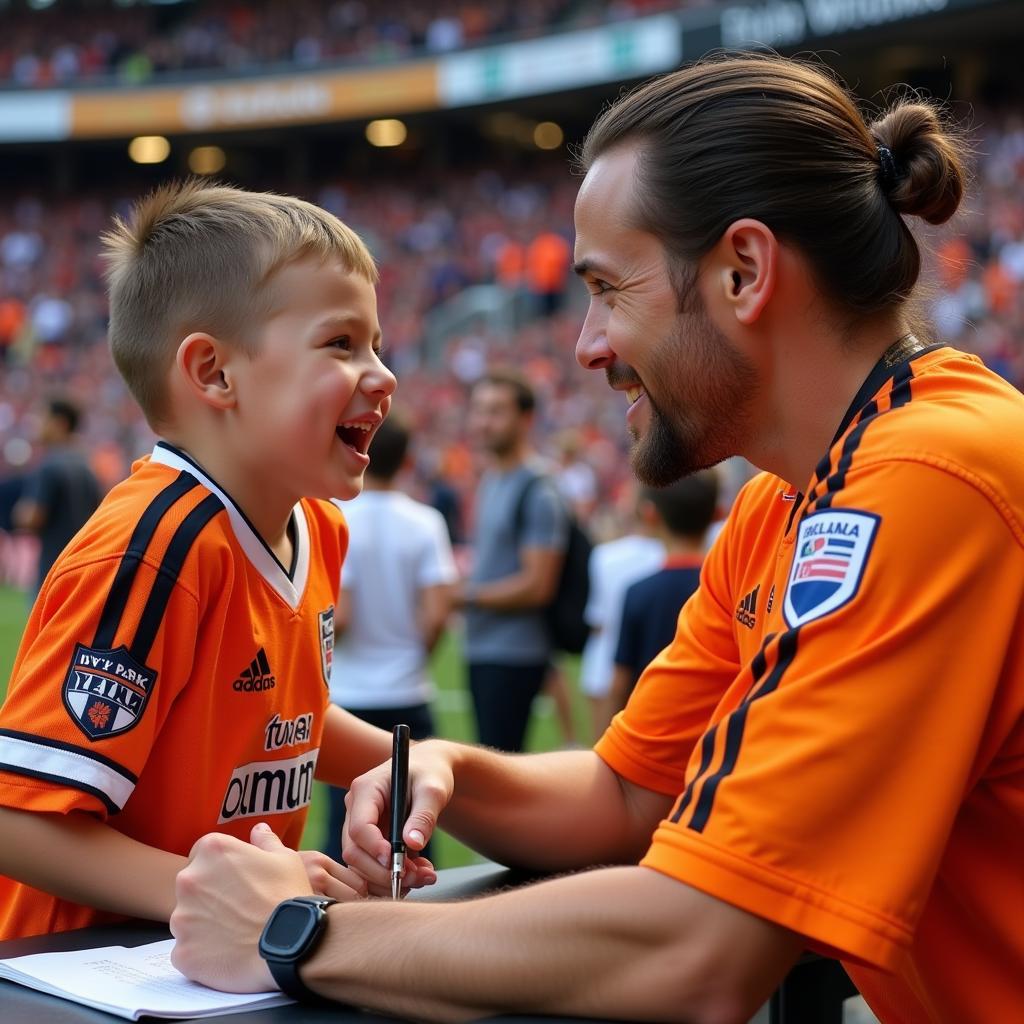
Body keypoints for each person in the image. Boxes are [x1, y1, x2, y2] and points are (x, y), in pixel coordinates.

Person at [170, 55, 1024, 1023]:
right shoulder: (781, 507)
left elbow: (704, 946)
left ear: (743, 271)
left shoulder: (924, 480)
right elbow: (627, 796)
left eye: (608, 289)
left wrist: (300, 932)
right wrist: (443, 765)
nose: (586, 344)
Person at [0, 180, 439, 941]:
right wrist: (240, 891)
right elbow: (18, 821)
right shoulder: (159, 548)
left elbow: (268, 715)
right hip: (74, 975)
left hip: (206, 965)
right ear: (213, 373)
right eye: (341, 343)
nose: (383, 374)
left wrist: (401, 765)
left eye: (377, 344)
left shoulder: (318, 527)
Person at [323, 410, 457, 863]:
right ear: (406, 460)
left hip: (349, 700)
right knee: (416, 829)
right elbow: (438, 613)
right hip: (408, 692)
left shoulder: (337, 517)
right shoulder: (425, 522)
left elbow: (340, 616)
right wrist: (413, 654)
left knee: (342, 831)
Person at [460, 369, 570, 752]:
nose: (482, 422)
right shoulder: (492, 477)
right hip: (483, 646)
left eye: (495, 412)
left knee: (498, 773)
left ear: (526, 419)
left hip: (514, 654)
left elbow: (538, 584)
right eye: (478, 410)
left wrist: (467, 596)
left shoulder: (538, 489)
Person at [608, 472, 719, 718]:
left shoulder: (638, 592)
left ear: (650, 514)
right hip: (714, 729)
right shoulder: (728, 585)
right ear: (716, 514)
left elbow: (620, 681)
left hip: (650, 722)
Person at [578, 486, 664, 738]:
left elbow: (597, 620)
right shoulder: (672, 556)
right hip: (654, 665)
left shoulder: (605, 555)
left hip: (605, 665)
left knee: (602, 754)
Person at [13, 396, 101, 597]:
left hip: (52, 567)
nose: (36, 423)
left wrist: (19, 512)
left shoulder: (49, 465)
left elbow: (32, 517)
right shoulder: (86, 466)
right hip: (80, 565)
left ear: (59, 423)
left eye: (42, 417)